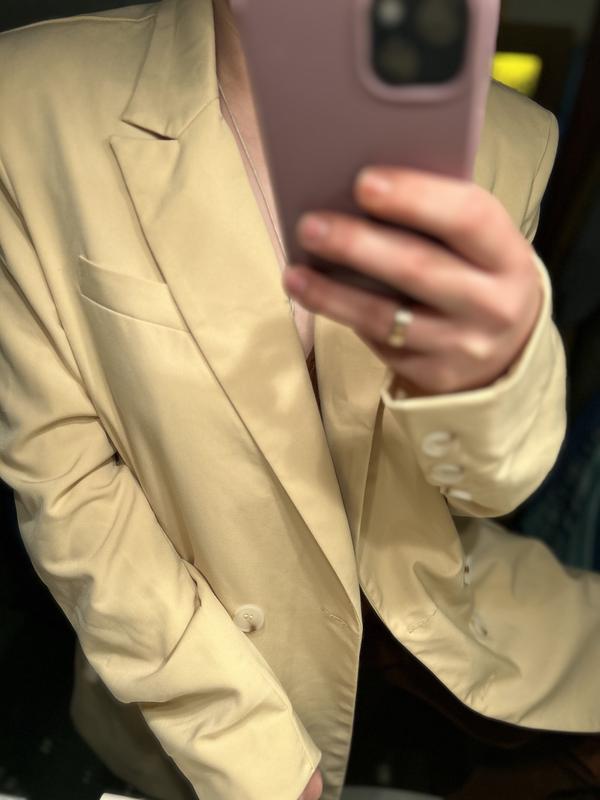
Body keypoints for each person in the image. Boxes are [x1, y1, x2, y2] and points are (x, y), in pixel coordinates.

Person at [1, 1, 599, 799]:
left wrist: (493, 379)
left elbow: (483, 492)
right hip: (207, 674)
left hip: (449, 641)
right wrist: (251, 756)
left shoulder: (509, 141)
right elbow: (69, 488)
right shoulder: (29, 100)